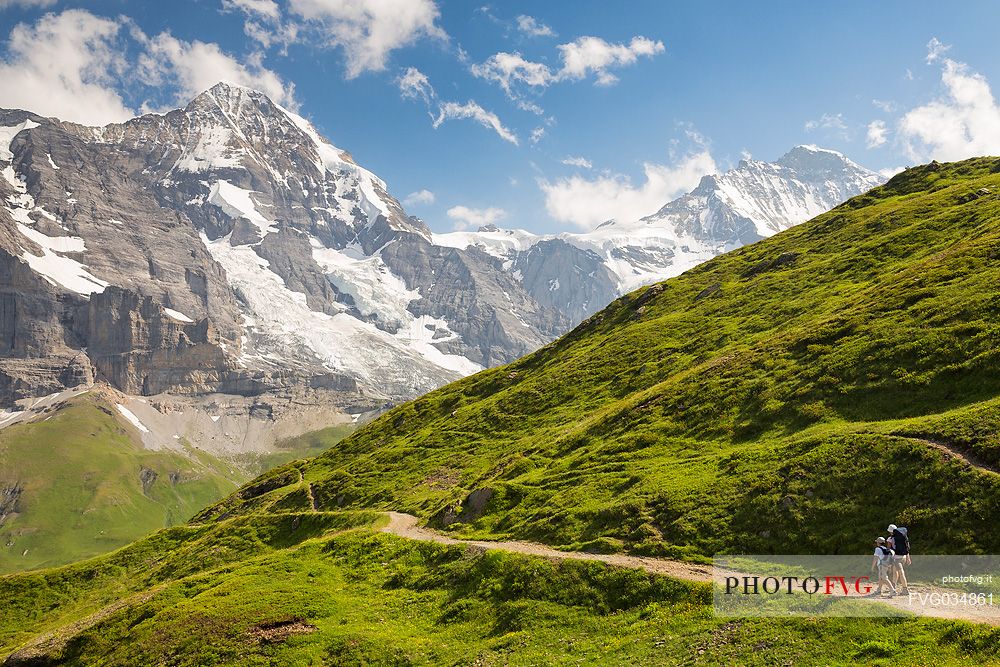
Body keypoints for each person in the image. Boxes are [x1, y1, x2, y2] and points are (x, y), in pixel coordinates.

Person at [887, 523, 910, 595]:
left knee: (901, 572)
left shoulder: (890, 539)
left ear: (890, 531)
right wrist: (908, 558)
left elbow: (889, 550)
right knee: (895, 571)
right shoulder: (903, 536)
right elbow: (906, 548)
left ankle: (905, 589)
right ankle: (894, 587)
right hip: (904, 556)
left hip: (897, 558)